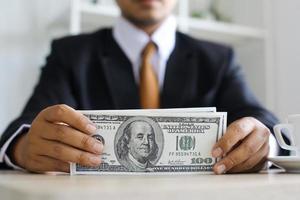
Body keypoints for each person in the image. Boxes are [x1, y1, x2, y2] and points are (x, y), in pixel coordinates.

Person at [0, 0, 282, 174]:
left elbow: (260, 119)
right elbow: (28, 123)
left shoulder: (218, 58)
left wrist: (263, 141)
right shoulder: (71, 54)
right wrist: (23, 149)